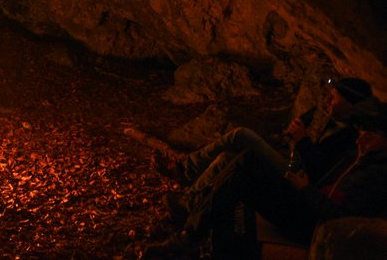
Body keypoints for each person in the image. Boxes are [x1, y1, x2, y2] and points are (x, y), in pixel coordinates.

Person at [142, 96, 387, 260]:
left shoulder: (374, 172)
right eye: (361, 133)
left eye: (334, 96)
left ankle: (188, 232)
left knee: (243, 148)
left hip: (311, 220)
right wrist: (296, 150)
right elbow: (311, 165)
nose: (360, 140)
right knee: (242, 162)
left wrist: (304, 183)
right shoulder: (350, 146)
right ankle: (192, 219)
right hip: (304, 192)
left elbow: (342, 218)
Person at [152, 77, 371, 215]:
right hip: (296, 167)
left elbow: (318, 171)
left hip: (299, 183)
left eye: (334, 98)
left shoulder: (352, 135)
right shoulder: (337, 125)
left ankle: (186, 168)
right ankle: (190, 200)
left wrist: (302, 139)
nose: (328, 101)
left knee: (241, 135)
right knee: (227, 158)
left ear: (350, 102)